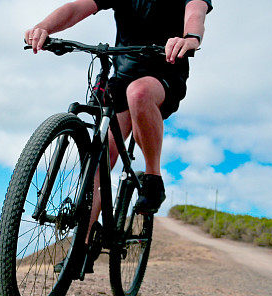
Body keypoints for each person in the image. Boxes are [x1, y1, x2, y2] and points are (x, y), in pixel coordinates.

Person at [25, 0, 212, 272]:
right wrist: (43, 27)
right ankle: (82, 245)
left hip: (164, 73)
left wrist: (190, 38)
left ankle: (152, 177)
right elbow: (78, 7)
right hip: (122, 76)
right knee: (100, 160)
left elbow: (195, 13)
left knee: (139, 93)